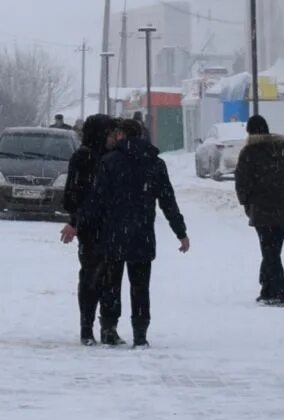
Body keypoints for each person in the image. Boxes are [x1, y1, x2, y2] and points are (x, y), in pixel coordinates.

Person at [75, 115, 190, 346]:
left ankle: (109, 328)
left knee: (111, 285)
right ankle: (140, 333)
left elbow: (96, 200)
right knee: (140, 287)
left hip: (113, 235)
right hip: (142, 234)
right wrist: (181, 232)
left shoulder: (110, 162)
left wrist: (78, 224)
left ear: (121, 135)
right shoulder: (155, 164)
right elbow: (168, 201)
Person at [59, 113, 121, 343]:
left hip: (114, 227)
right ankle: (87, 328)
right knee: (91, 278)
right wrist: (76, 220)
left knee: (112, 280)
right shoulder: (82, 158)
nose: (115, 137)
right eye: (111, 133)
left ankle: (109, 327)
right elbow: (71, 195)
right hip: (91, 227)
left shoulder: (115, 157)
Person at [234, 115, 284, 305]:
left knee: (269, 251)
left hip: (261, 209)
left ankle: (281, 292)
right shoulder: (282, 150)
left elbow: (241, 180)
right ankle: (267, 289)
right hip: (281, 208)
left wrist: (247, 201)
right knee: (273, 250)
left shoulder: (249, 152)